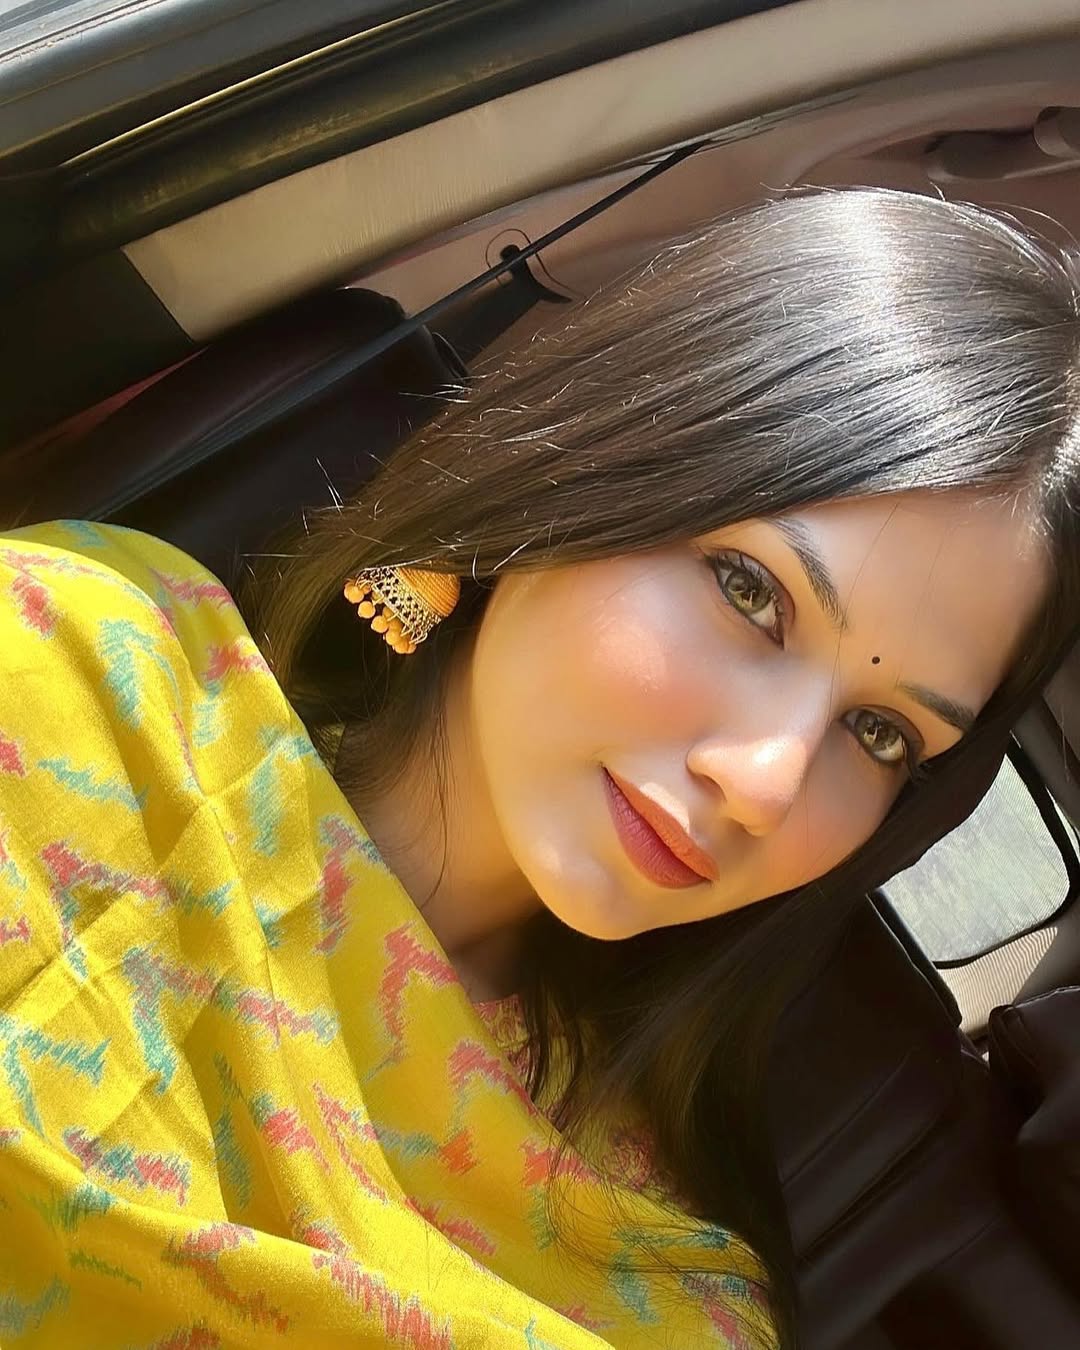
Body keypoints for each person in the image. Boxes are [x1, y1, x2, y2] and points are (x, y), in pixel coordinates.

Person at [1, 188, 1078, 1350]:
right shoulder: (67, 673)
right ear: (586, 467)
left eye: (881, 736)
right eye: (749, 591)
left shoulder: (675, 1289)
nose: (767, 785)